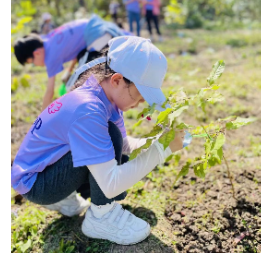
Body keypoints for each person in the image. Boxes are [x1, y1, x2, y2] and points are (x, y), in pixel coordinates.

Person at [11, 36, 186, 245]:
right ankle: (102, 217)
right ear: (117, 80)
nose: (140, 104)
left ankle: (65, 199)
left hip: (46, 170)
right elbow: (111, 184)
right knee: (110, 138)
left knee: (112, 140)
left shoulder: (103, 96)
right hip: (38, 185)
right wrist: (161, 149)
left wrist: (160, 140)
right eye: (140, 95)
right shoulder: (89, 109)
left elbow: (126, 145)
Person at [13, 15, 130, 110]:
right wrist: (69, 70)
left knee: (78, 85)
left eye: (32, 63)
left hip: (97, 35)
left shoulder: (50, 56)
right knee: (80, 81)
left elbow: (50, 92)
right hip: (96, 28)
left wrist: (41, 121)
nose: (36, 65)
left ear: (37, 53)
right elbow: (75, 47)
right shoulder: (48, 39)